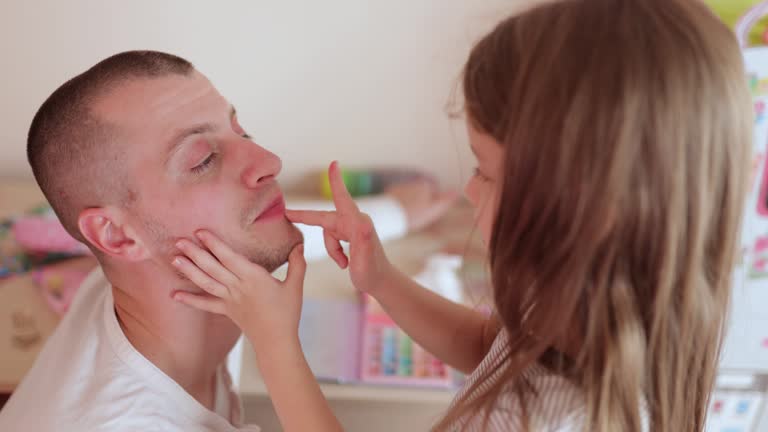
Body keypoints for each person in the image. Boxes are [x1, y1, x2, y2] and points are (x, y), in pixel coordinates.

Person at [169, 0, 754, 431]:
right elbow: (490, 346)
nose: (470, 191)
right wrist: (381, 280)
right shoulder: (608, 301)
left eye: (487, 172)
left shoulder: (549, 423)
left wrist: (274, 339)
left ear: (580, 206)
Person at [0, 50, 455, 431]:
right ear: (117, 235)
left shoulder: (160, 276)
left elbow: (254, 230)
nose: (270, 161)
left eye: (241, 132)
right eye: (202, 160)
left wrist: (396, 213)